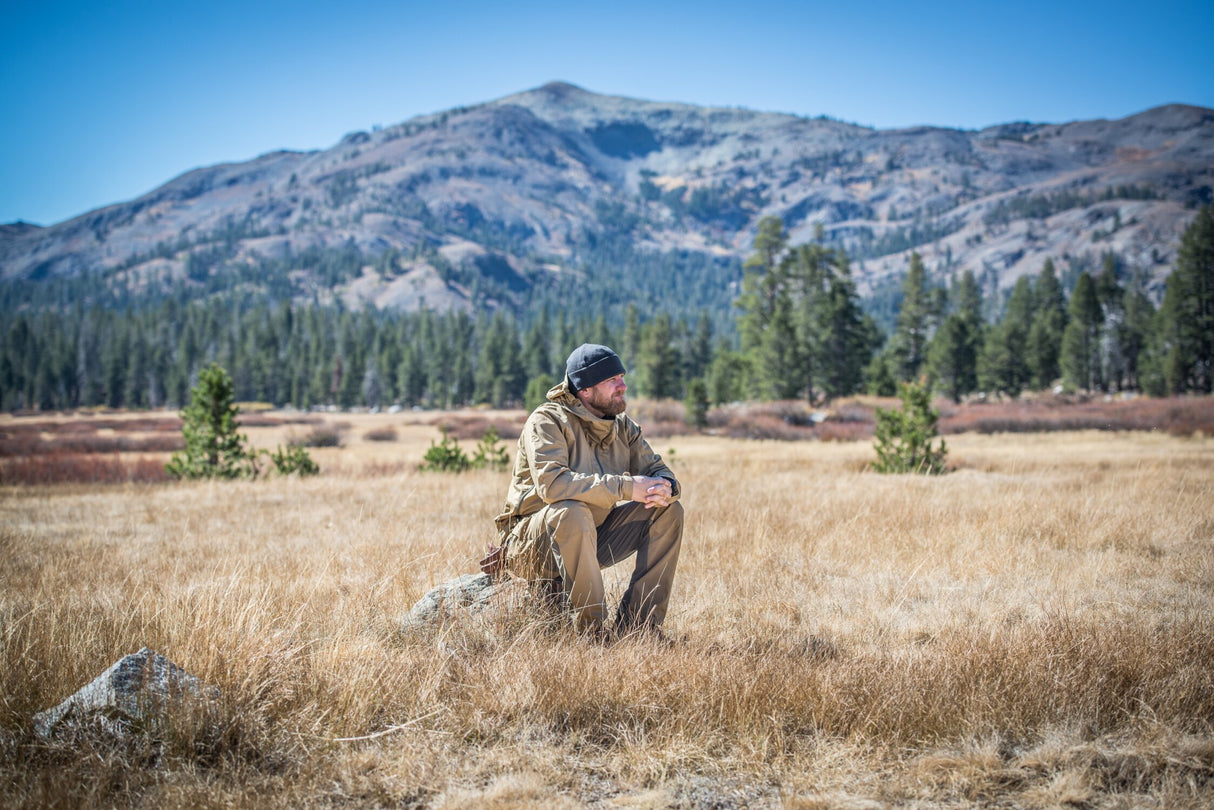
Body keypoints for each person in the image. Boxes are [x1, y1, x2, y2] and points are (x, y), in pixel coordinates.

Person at [492, 343, 683, 639]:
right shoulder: (547, 421)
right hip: (532, 544)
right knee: (571, 510)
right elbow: (553, 485)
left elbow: (658, 470)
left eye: (622, 377)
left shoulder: (623, 427)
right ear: (585, 390)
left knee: (668, 510)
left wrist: (664, 487)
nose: (623, 386)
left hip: (593, 533)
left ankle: (640, 628)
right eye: (612, 381)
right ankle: (591, 633)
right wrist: (627, 487)